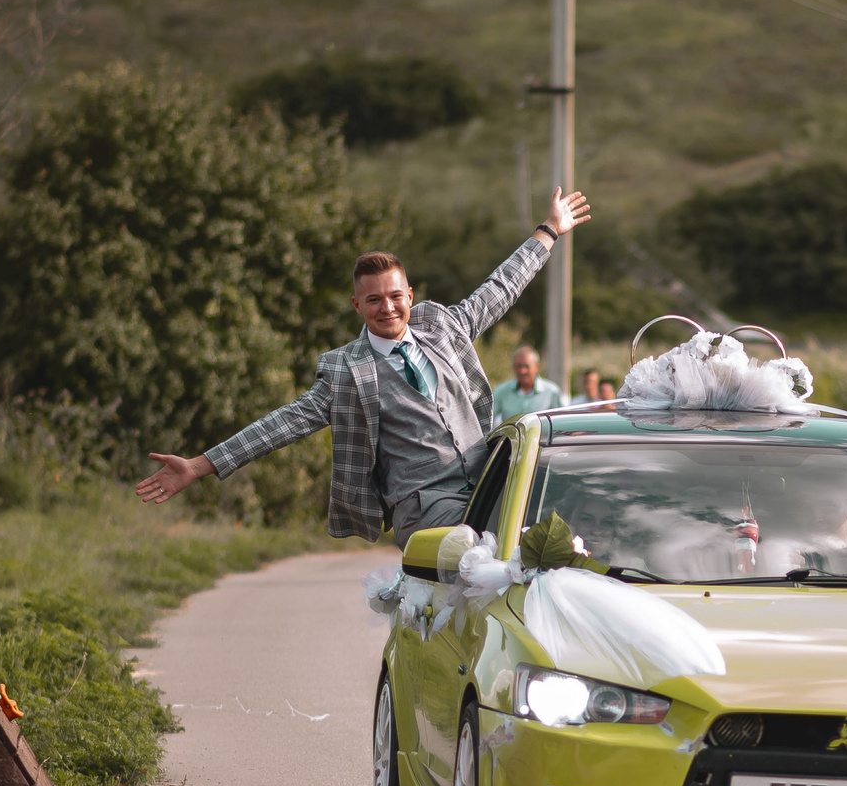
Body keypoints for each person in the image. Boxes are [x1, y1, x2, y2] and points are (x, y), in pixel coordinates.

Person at [134, 188, 592, 541]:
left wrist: (548, 232)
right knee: (483, 546)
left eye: (396, 297)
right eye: (374, 300)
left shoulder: (442, 326)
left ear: (410, 296)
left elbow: (498, 289)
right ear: (357, 305)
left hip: (487, 486)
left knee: (557, 529)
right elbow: (281, 425)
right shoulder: (346, 371)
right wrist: (201, 464)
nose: (387, 308)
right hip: (425, 507)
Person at [491, 346, 563, 420]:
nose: (522, 371)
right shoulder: (501, 391)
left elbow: (561, 420)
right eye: (519, 366)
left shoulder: (551, 392)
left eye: (526, 366)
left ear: (537, 367)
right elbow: (488, 420)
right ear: (514, 367)